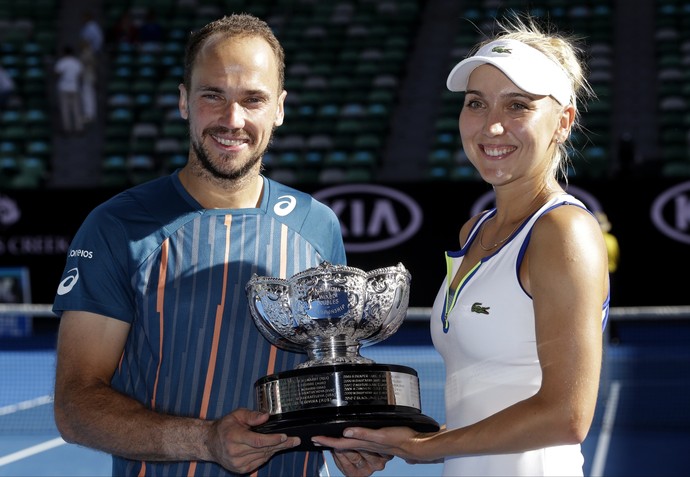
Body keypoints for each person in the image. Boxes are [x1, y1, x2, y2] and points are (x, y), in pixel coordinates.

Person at [52, 14, 390, 477]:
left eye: (253, 100)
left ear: (280, 109)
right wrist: (205, 440)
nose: (233, 120)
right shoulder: (117, 226)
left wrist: (351, 438)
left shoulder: (318, 226)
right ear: (184, 102)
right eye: (213, 95)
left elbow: (325, 371)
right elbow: (75, 407)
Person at [313, 13, 610, 477]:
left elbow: (566, 415)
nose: (491, 127)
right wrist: (394, 438)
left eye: (518, 106)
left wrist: (428, 447)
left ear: (563, 122)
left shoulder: (563, 232)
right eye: (476, 104)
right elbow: (492, 402)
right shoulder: (474, 231)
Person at [53, 45, 84, 134]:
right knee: (76, 108)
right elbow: (80, 75)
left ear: (64, 53)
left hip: (64, 88)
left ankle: (67, 129)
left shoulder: (62, 62)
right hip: (74, 88)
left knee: (65, 109)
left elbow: (56, 73)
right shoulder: (76, 62)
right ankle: (79, 128)